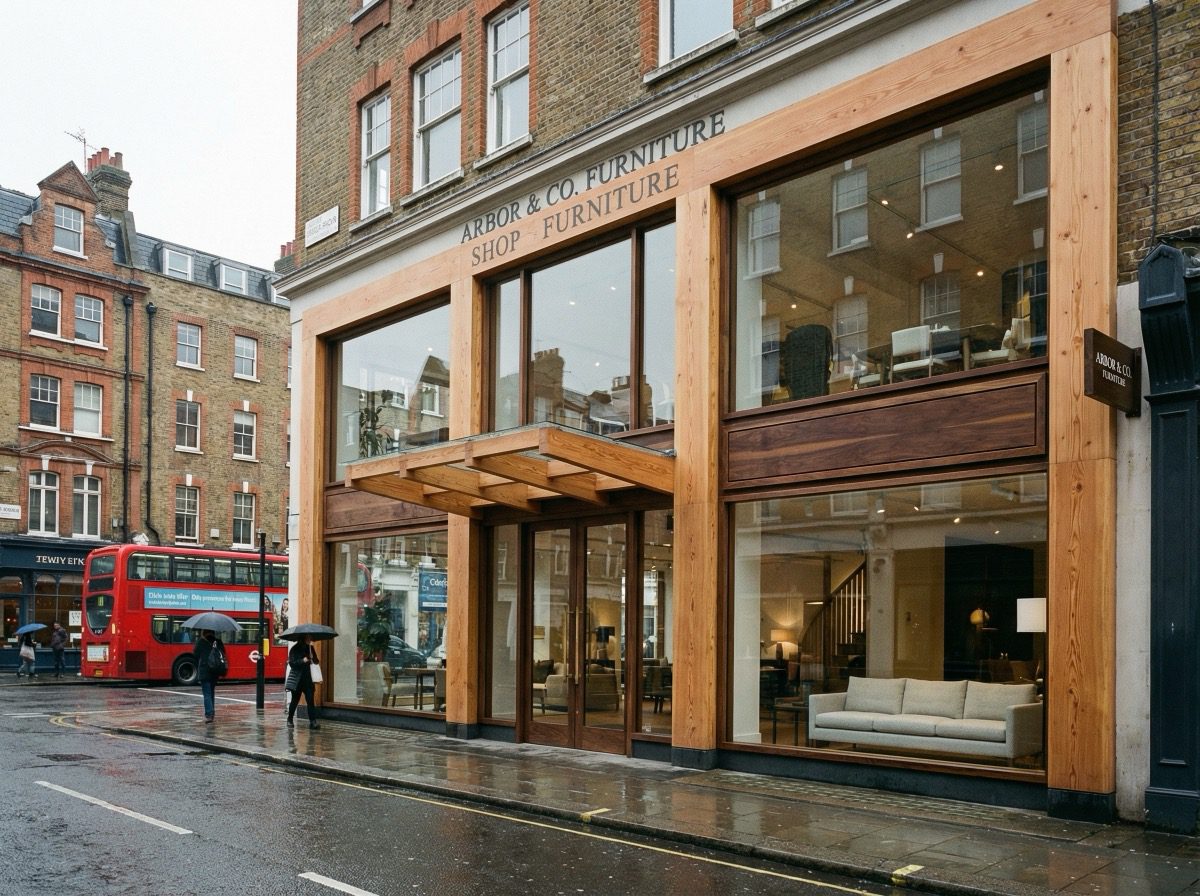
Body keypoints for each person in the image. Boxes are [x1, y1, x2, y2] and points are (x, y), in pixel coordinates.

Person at [285, 635, 321, 730]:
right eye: (308, 638)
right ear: (303, 638)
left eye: (310, 638)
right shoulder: (295, 649)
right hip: (297, 680)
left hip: (308, 679)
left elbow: (316, 661)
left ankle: (312, 722)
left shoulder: (311, 648)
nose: (310, 639)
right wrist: (302, 660)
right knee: (295, 701)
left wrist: (313, 659)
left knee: (310, 701)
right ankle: (290, 719)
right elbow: (292, 663)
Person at [192, 630, 225, 722]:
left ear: (204, 633)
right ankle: (212, 712)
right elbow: (223, 653)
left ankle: (209, 714)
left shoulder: (201, 642)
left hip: (204, 671)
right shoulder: (218, 642)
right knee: (211, 692)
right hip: (215, 671)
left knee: (207, 693)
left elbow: (195, 654)